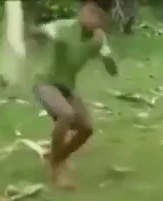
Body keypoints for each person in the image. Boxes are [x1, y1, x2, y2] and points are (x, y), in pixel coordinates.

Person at [30, 0, 119, 190]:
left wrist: (108, 59)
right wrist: (36, 35)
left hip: (66, 87)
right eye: (85, 10)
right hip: (44, 83)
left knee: (86, 128)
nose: (87, 15)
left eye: (94, 14)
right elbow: (38, 32)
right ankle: (56, 168)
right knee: (66, 115)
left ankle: (57, 157)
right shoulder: (64, 27)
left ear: (102, 21)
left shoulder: (98, 39)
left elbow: (113, 70)